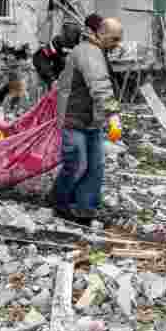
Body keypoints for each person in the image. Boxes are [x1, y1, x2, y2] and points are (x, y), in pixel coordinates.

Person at [54, 17, 124, 225]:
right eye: (114, 39)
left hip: (91, 119)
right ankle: (61, 203)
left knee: (96, 166)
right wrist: (113, 114)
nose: (117, 44)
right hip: (73, 117)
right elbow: (99, 84)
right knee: (77, 163)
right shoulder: (88, 51)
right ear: (100, 34)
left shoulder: (98, 50)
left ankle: (85, 209)